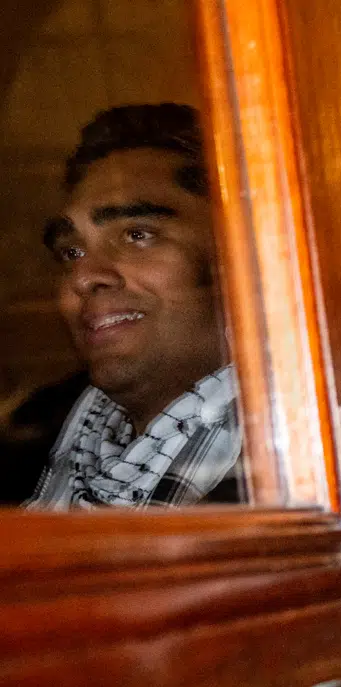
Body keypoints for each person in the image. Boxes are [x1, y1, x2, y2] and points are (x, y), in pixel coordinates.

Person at [27, 104, 241, 509]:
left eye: (137, 235)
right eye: (71, 252)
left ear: (239, 255)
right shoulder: (35, 443)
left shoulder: (301, 460)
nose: (83, 276)